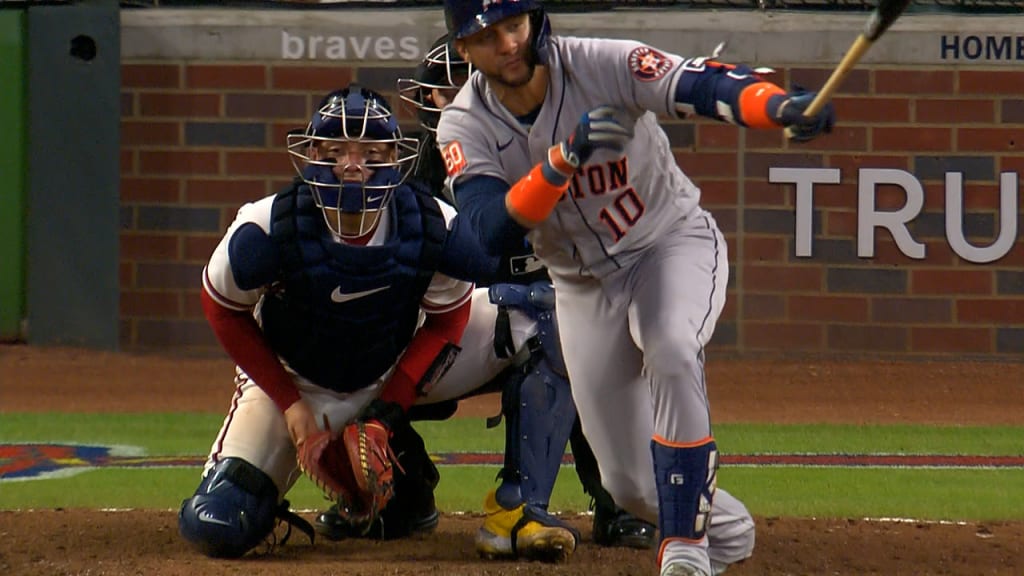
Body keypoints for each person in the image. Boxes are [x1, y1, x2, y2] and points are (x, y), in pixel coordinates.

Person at [436, 2, 835, 575]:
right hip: (579, 288)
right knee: (628, 485)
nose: (507, 43)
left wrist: (775, 107)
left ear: (535, 22)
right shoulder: (465, 124)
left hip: (667, 244)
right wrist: (562, 160)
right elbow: (490, 229)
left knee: (670, 344)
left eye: (514, 25)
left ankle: (686, 551)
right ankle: (723, 531)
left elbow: (699, 82)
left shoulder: (599, 64)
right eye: (487, 35)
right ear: (464, 48)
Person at [177, 84, 500, 558]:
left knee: (536, 318)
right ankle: (351, 490)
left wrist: (387, 411)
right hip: (294, 380)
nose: (354, 166)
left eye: (372, 152)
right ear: (310, 155)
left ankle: (520, 505)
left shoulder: (432, 223)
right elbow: (222, 308)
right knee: (220, 523)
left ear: (395, 156)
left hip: (387, 366)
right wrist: (289, 403)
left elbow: (448, 319)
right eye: (336, 152)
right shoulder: (267, 228)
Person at [397, 34, 663, 553]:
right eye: (443, 88)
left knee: (584, 333)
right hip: (447, 333)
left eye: (474, 85)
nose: (453, 100)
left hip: (541, 325)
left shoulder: (550, 160)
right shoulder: (412, 180)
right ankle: (399, 498)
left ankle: (613, 500)